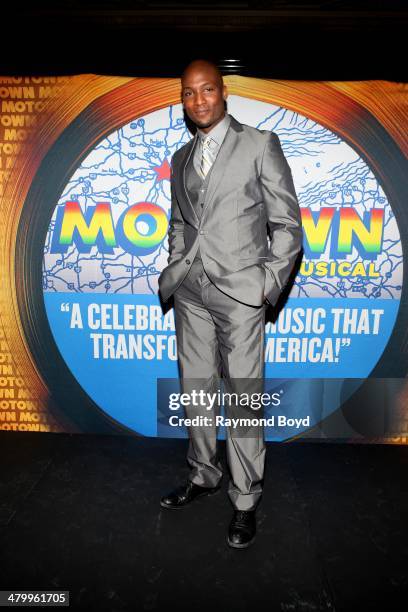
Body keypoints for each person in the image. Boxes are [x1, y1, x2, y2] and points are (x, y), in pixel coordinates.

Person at [158, 59, 303, 548]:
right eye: (187, 93)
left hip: (241, 294)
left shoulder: (259, 144)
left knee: (242, 398)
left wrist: (266, 284)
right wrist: (177, 268)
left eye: (206, 90)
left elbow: (287, 226)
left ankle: (245, 500)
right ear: (182, 99)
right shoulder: (181, 157)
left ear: (223, 93)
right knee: (197, 389)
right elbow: (181, 223)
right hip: (191, 294)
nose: (198, 100)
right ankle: (203, 475)